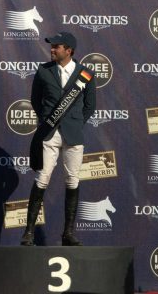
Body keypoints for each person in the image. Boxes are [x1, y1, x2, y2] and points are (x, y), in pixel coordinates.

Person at [22, 32, 96, 246]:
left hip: (73, 134)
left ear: (69, 50)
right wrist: (47, 121)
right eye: (52, 46)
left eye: (56, 47)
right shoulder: (43, 71)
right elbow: (35, 100)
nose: (52, 49)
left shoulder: (86, 74)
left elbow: (90, 106)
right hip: (49, 133)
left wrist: (75, 123)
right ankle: (28, 233)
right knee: (42, 178)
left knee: (72, 181)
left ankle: (68, 234)